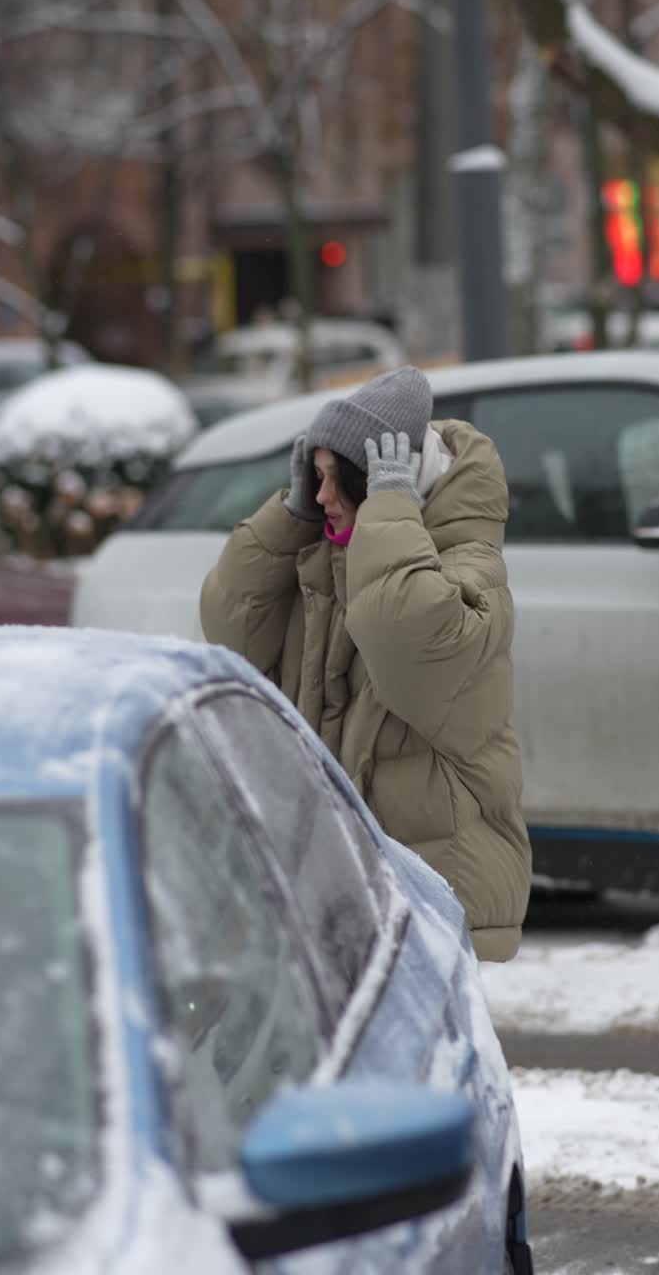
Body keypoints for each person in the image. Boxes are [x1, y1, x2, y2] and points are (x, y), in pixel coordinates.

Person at [200, 366, 531, 961]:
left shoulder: (472, 568)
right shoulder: (328, 557)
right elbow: (231, 629)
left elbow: (404, 636)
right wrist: (290, 516)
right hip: (338, 882)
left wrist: (388, 508)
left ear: (385, 483)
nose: (323, 497)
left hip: (432, 886)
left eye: (335, 480)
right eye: (315, 478)